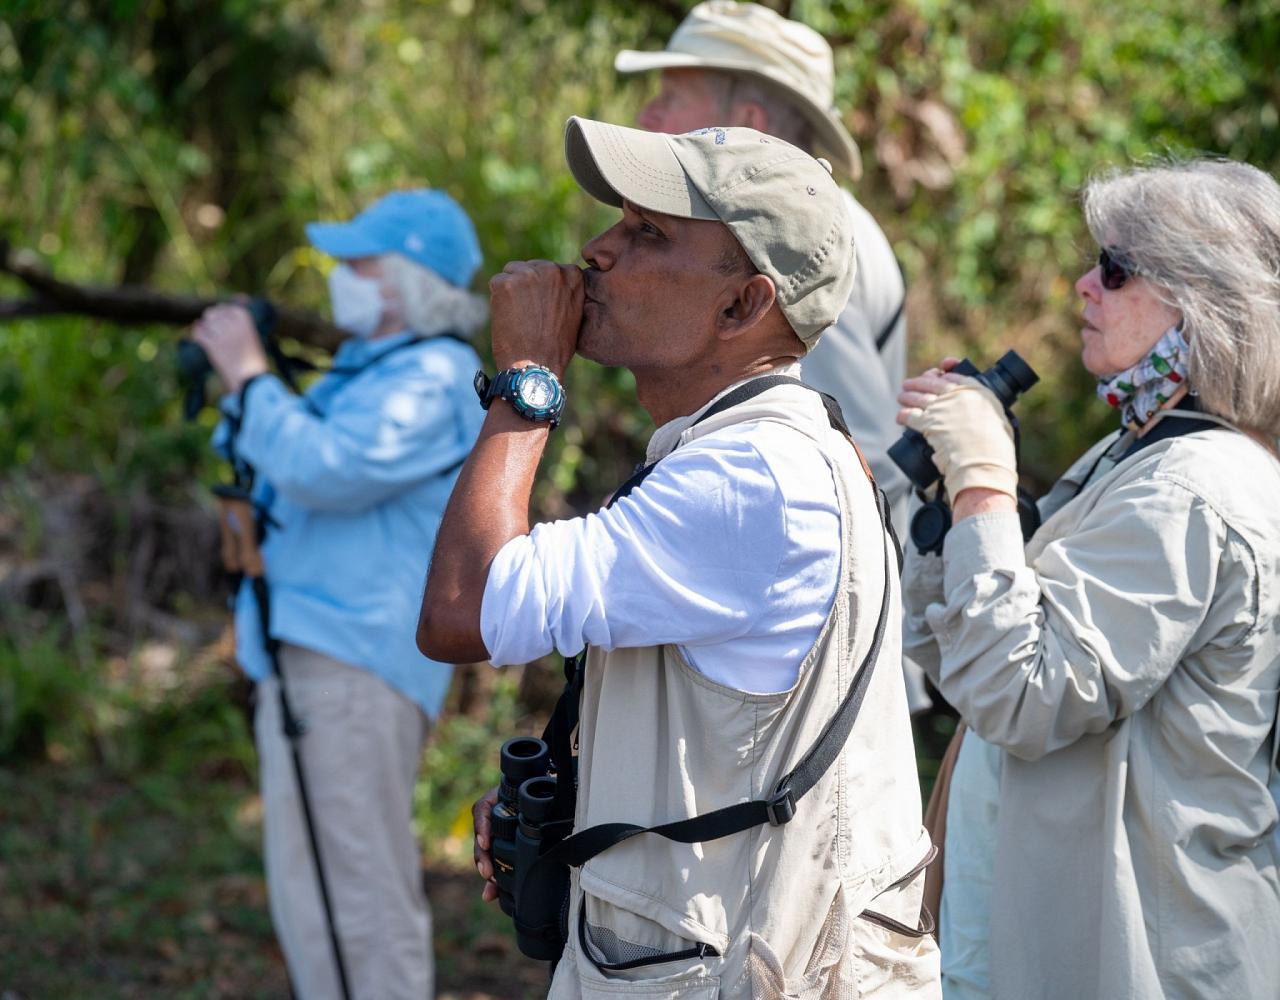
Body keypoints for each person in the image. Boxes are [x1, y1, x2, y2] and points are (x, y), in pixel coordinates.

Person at [419, 118, 940, 997]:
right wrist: (587, 794)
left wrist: (526, 380)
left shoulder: (752, 479)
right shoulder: (758, 449)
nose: (597, 250)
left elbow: (461, 607)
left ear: (743, 306)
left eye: (648, 233)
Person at [897, 158, 1280, 1000]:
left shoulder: (1190, 490)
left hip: (1141, 963)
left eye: (1115, 268)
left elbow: (1023, 697)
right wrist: (955, 505)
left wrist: (986, 484)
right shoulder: (1133, 456)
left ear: (1207, 302)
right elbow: (964, 663)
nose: (1083, 285)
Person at [191, 189, 487, 999]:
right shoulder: (372, 370)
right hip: (316, 653)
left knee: (359, 891)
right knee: (309, 889)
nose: (341, 274)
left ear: (408, 280)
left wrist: (250, 375)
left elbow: (325, 468)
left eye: (360, 261)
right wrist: (249, 395)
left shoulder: (435, 374)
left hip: (357, 662)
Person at [616, 0, 931, 715]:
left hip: (807, 673)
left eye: (672, 97)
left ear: (749, 121)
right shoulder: (788, 234)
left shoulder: (802, 250)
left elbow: (865, 452)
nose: (649, 116)